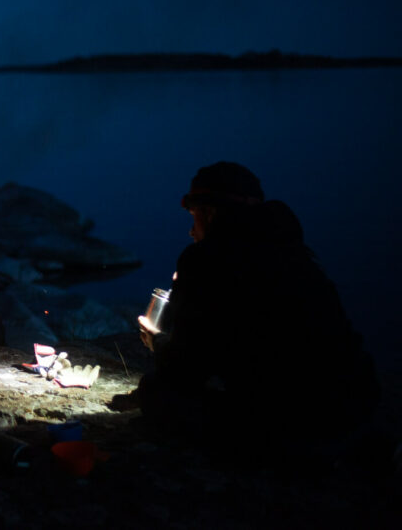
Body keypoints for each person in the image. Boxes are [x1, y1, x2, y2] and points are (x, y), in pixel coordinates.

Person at [133, 161, 382, 460]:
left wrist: (159, 340)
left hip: (296, 429)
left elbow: (186, 370)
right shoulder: (292, 252)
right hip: (356, 410)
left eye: (193, 216)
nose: (190, 231)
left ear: (209, 213)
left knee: (156, 392)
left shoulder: (206, 260)